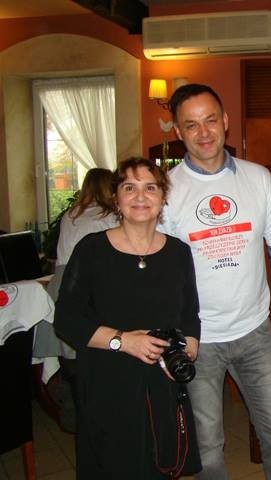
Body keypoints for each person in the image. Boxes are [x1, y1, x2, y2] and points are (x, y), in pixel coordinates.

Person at [163, 83, 271, 479]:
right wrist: (170, 337)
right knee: (207, 448)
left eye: (210, 120)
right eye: (191, 125)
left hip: (255, 332)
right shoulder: (166, 191)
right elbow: (158, 273)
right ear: (178, 131)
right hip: (196, 341)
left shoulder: (258, 178)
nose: (203, 133)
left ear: (225, 121)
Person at [54, 157, 201, 479]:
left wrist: (188, 348)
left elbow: (190, 314)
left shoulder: (178, 252)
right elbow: (66, 319)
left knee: (161, 465)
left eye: (151, 188)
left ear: (163, 197)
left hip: (162, 385)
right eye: (129, 188)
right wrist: (123, 341)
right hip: (109, 384)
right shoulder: (92, 250)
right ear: (116, 198)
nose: (140, 196)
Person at [35, 167, 118, 432]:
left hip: (60, 283)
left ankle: (74, 405)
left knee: (70, 352)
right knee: (94, 348)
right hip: (89, 283)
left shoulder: (71, 215)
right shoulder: (109, 218)